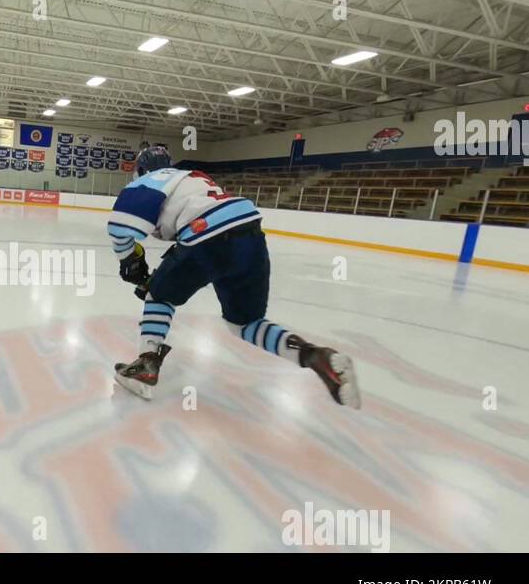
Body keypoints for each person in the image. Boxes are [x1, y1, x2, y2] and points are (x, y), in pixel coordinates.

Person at [107, 153, 361, 408]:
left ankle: (145, 365)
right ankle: (315, 356)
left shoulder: (146, 181)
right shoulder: (192, 177)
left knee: (159, 295)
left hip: (205, 232)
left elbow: (119, 228)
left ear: (141, 169)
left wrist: (129, 261)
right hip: (249, 231)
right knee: (246, 323)